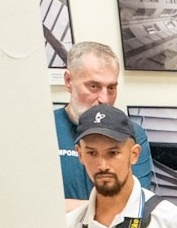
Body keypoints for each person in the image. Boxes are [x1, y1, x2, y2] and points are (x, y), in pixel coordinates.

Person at [54, 41, 154, 200]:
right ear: (68, 81)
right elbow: (34, 204)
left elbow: (136, 203)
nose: (104, 99)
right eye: (94, 86)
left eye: (111, 88)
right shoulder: (45, 129)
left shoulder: (132, 132)